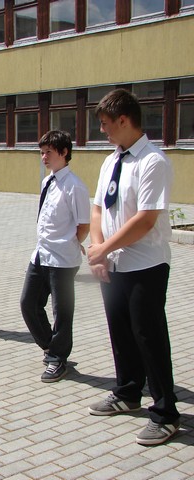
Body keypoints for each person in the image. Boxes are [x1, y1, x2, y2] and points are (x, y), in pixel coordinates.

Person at [86, 88, 180, 446]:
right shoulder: (111, 160)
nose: (102, 130)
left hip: (146, 265)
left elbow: (145, 219)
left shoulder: (153, 161)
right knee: (121, 332)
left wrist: (103, 248)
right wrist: (99, 251)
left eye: (105, 124)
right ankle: (127, 392)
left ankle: (166, 414)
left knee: (149, 337)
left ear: (124, 120)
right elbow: (98, 208)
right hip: (114, 263)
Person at [19, 131, 90, 381]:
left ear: (64, 152)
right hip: (40, 254)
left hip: (63, 260)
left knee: (62, 313)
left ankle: (58, 359)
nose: (44, 157)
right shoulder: (47, 182)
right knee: (28, 303)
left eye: (48, 152)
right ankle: (52, 348)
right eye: (41, 152)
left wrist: (72, 243)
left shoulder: (75, 186)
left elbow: (84, 226)